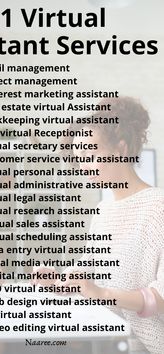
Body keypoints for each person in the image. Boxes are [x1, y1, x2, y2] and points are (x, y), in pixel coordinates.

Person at [31, 96, 164, 354]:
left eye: (91, 154)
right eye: (80, 159)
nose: (84, 167)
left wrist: (101, 293)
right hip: (110, 343)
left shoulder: (159, 207)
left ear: (121, 150)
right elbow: (91, 277)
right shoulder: (102, 212)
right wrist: (60, 282)